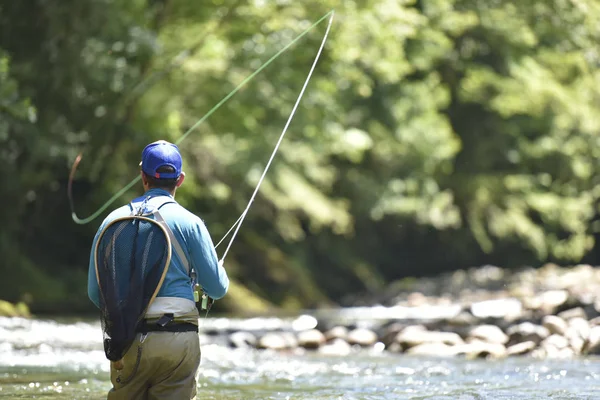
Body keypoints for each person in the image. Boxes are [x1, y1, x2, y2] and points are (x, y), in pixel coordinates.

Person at [87, 140, 229, 400]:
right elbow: (217, 289)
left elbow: (96, 294)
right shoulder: (192, 223)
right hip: (179, 339)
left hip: (127, 341)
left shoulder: (111, 222)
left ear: (143, 176)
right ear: (180, 179)